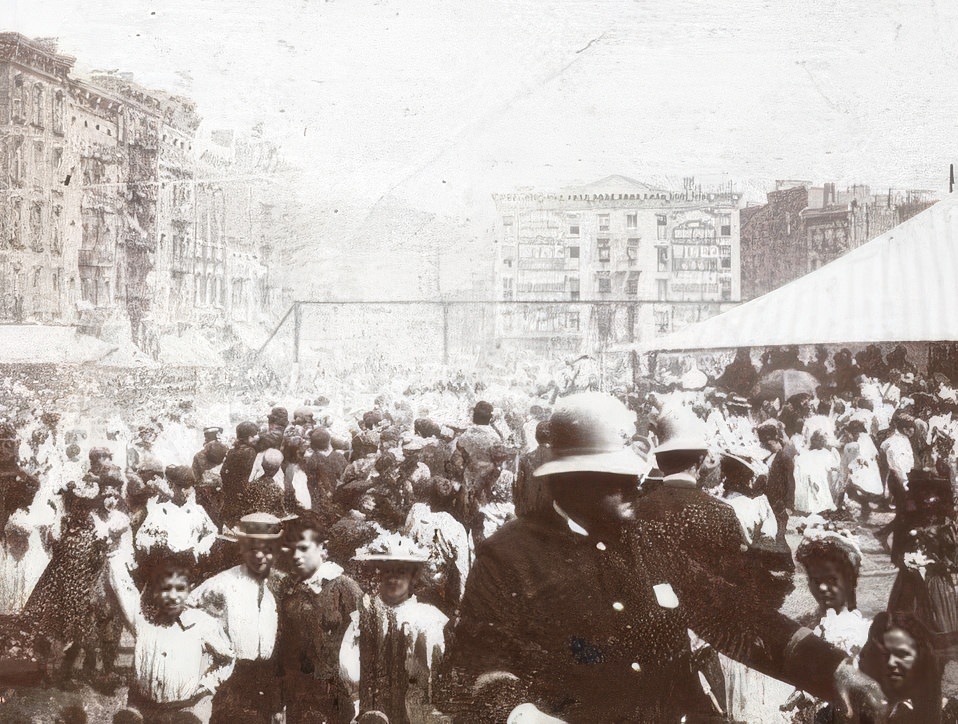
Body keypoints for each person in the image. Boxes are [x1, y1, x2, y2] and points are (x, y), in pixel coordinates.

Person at [443, 392, 888, 724]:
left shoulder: (644, 539)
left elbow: (732, 613)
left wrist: (834, 670)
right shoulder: (509, 556)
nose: (637, 487)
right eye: (619, 477)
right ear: (572, 480)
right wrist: (521, 714)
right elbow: (473, 669)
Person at [108, 548, 235, 723]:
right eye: (166, 588)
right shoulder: (143, 618)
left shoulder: (200, 624)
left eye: (180, 588)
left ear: (190, 589)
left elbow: (227, 658)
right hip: (143, 705)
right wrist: (114, 554)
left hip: (184, 707)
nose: (173, 596)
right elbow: (122, 587)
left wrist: (207, 686)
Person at [342, 534, 449, 724]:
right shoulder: (364, 617)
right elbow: (348, 667)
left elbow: (438, 671)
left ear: (413, 576)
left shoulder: (428, 618)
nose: (393, 578)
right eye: (387, 571)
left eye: (401, 572)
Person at [188, 513, 285, 723]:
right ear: (241, 548)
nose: (260, 556)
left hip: (266, 682)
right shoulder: (221, 585)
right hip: (230, 681)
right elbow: (187, 615)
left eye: (267, 550)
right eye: (253, 549)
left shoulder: (280, 587)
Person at [275, 511, 362, 724]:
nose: (296, 556)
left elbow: (363, 642)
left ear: (323, 548)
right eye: (293, 549)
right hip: (298, 696)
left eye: (303, 548)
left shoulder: (344, 587)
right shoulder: (288, 590)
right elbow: (283, 649)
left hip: (338, 695)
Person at [859, 612, 942, 724]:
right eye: (885, 653)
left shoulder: (907, 713)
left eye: (902, 654)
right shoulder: (874, 707)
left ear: (920, 661)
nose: (891, 662)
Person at [136, 466, 218, 563]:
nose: (184, 492)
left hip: (192, 564)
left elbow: (211, 533)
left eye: (188, 488)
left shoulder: (197, 511)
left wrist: (200, 549)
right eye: (180, 487)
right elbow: (141, 538)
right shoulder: (160, 511)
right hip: (165, 565)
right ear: (172, 486)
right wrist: (156, 543)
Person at [757, 419, 797, 542]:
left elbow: (790, 482)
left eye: (768, 445)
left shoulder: (784, 458)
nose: (765, 447)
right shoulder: (766, 456)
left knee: (779, 535)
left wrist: (789, 505)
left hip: (779, 503)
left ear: (774, 441)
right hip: (767, 500)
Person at [840, 417, 884, 521]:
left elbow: (860, 455)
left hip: (863, 468)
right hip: (868, 466)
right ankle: (864, 509)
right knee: (860, 490)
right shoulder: (866, 437)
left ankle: (863, 509)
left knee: (854, 487)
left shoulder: (861, 439)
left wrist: (852, 467)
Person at [219, 422, 260, 525]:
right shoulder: (250, 452)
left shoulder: (232, 451)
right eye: (256, 434)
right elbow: (251, 475)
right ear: (250, 437)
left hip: (230, 495)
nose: (258, 437)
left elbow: (223, 472)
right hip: (242, 496)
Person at [233, 448, 288, 523]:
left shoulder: (252, 485)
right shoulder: (278, 490)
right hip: (266, 526)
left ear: (262, 464)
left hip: (249, 523)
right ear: (278, 469)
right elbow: (281, 514)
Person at [793, 430, 839, 515]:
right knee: (821, 487)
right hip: (818, 478)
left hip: (808, 478)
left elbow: (799, 465)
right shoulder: (825, 453)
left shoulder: (806, 453)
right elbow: (835, 466)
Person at [513, 420, 553, 517]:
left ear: (536, 437)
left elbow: (517, 488)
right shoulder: (560, 459)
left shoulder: (524, 459)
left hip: (528, 512)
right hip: (552, 514)